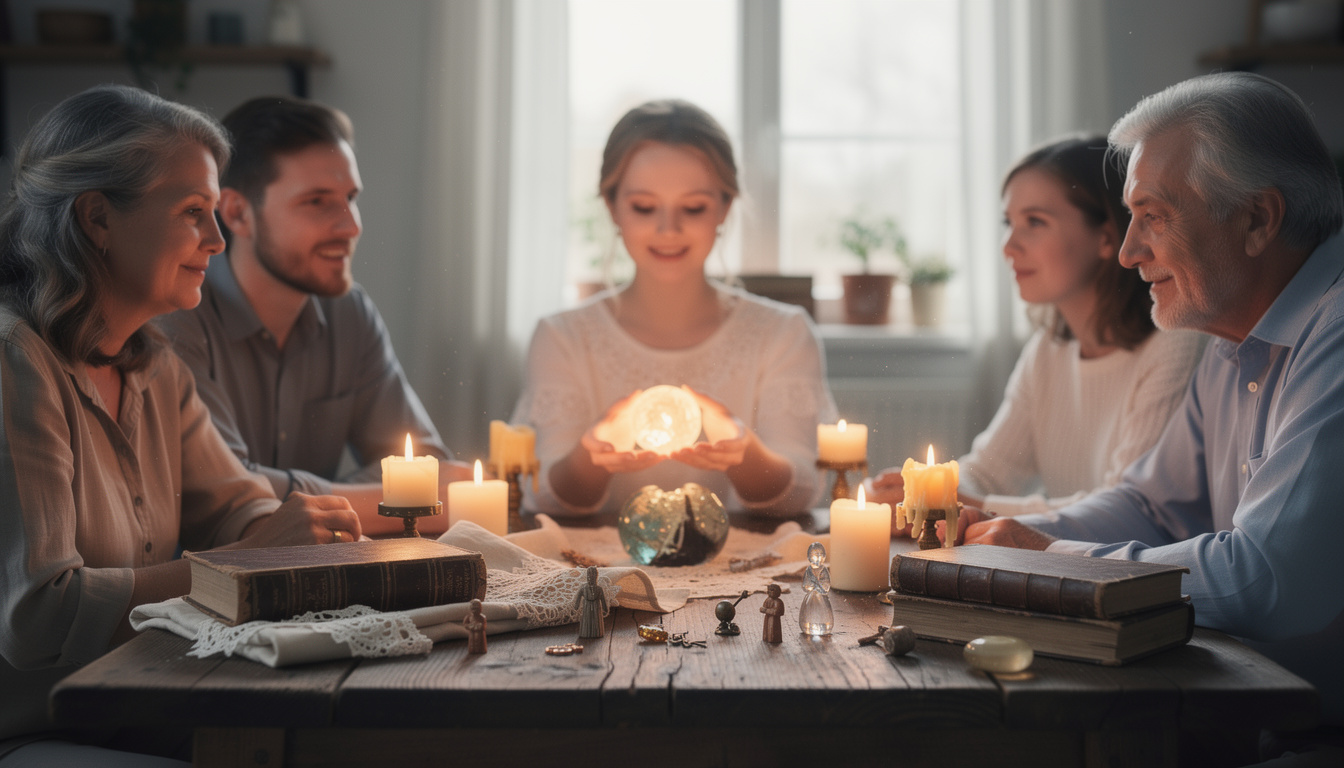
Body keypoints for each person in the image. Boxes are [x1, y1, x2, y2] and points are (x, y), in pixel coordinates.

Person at [962, 73, 1344, 756]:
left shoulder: (1335, 332)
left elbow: (1265, 576)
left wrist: (1050, 560)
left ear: (1258, 220)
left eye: (1154, 216)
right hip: (1248, 714)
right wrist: (1013, 536)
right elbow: (1153, 504)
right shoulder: (1233, 337)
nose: (1129, 250)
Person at [0, 85, 359, 764]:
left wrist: (289, 535)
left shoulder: (154, 366)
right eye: (194, 212)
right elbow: (37, 617)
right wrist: (242, 562)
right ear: (98, 218)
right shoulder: (14, 364)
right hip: (37, 733)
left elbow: (237, 509)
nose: (217, 241)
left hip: (146, 704)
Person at [156, 96, 468, 537]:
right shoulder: (178, 317)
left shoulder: (349, 313)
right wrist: (378, 498)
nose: (351, 226)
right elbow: (221, 496)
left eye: (350, 198)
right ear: (238, 213)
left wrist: (298, 498)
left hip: (323, 569)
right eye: (317, 201)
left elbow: (426, 467)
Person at [511, 99, 837, 517]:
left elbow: (801, 492)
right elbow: (544, 496)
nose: (668, 229)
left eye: (693, 208)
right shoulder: (562, 338)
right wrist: (592, 457)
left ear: (724, 208)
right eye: (645, 207)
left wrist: (744, 453)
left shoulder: (784, 334)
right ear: (612, 207)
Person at [872, 136, 1204, 522]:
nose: (1009, 246)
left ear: (1107, 237)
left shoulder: (1174, 346)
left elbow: (1126, 510)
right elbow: (988, 472)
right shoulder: (1048, 350)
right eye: (1009, 223)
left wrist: (965, 504)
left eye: (1035, 222)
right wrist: (924, 489)